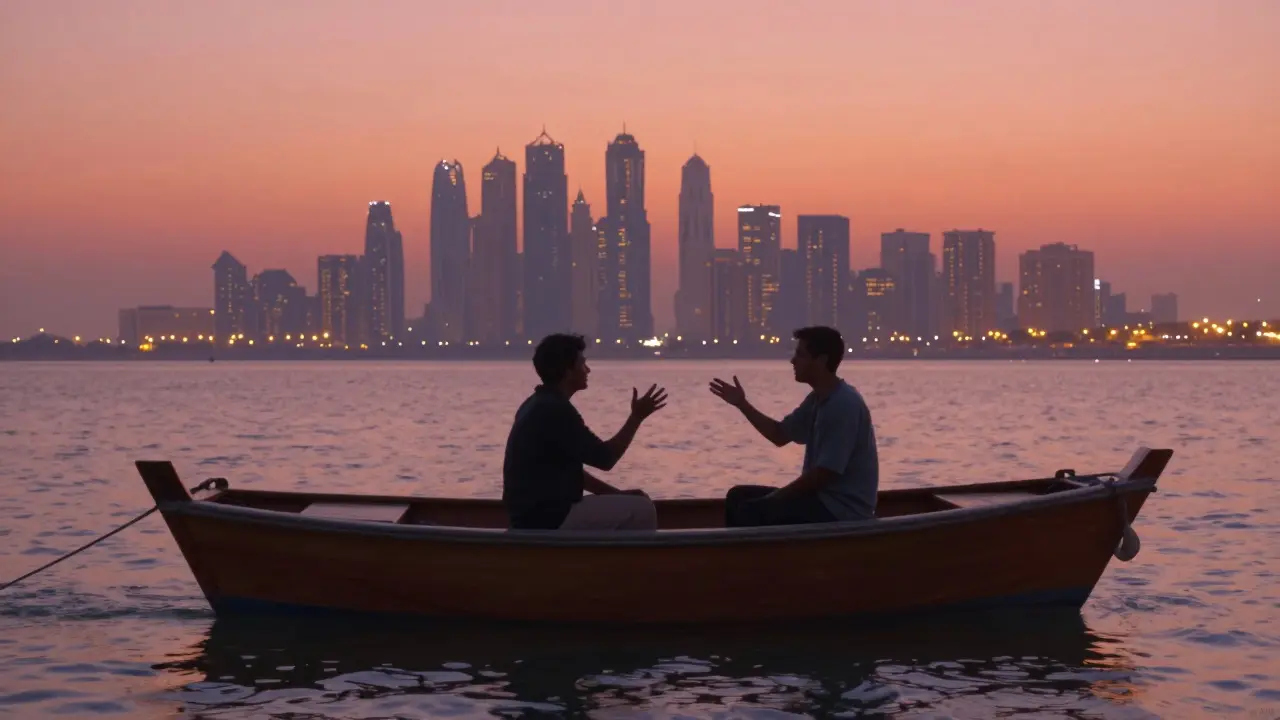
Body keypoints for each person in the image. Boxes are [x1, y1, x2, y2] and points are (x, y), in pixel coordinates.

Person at [708, 326, 878, 527]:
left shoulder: (842, 404)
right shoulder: (817, 400)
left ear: (821, 360)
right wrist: (742, 404)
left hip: (842, 511)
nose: (792, 361)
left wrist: (774, 499)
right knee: (737, 497)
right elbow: (779, 435)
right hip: (821, 500)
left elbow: (824, 474)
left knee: (752, 510)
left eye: (800, 354)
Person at [502, 333, 668, 531]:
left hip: (530, 516)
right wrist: (636, 417)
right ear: (568, 370)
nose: (588, 370)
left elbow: (570, 472)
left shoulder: (535, 404)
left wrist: (616, 494)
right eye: (582, 364)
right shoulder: (556, 410)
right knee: (642, 509)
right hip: (547, 519)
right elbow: (606, 458)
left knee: (630, 504)